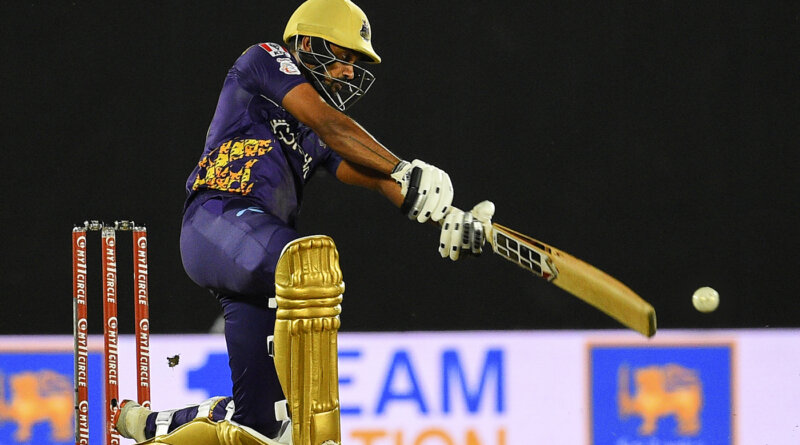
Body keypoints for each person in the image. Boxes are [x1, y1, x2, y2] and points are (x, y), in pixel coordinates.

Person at [114, 0, 493, 443]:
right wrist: (404, 166)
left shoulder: (320, 132)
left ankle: (144, 426)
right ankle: (322, 428)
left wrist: (447, 217)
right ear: (308, 43)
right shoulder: (262, 59)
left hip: (254, 261)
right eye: (344, 57)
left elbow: (379, 179)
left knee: (260, 431)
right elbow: (339, 129)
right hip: (216, 222)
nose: (351, 73)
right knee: (308, 263)